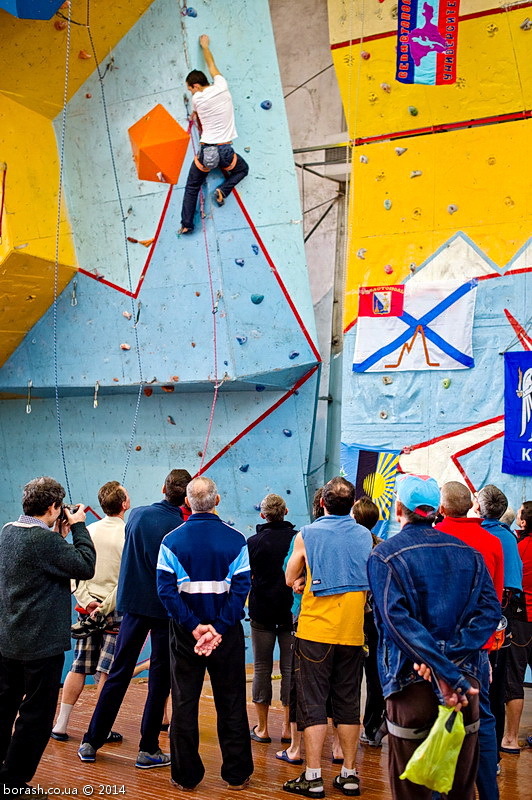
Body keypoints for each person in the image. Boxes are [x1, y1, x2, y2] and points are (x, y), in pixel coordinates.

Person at [368, 474, 501, 800]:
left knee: (410, 791)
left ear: (398, 508)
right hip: (463, 686)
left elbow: (397, 622)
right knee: (459, 790)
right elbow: (489, 613)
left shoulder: (384, 556)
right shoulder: (469, 554)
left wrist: (436, 663)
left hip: (408, 685)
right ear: (437, 510)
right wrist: (450, 659)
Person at [77, 469, 191, 768]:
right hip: (166, 609)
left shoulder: (137, 515)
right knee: (159, 680)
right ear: (186, 496)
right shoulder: (180, 525)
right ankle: (148, 748)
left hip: (134, 606)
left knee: (118, 672)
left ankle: (91, 741)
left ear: (164, 487)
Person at [157, 476, 254, 791]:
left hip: (186, 635)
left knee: (184, 702)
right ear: (218, 500)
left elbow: (165, 591)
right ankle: (237, 774)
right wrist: (219, 627)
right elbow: (241, 588)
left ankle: (185, 776)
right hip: (226, 634)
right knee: (232, 701)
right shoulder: (237, 539)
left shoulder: (171, 541)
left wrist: (194, 626)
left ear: (186, 503)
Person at [0, 477, 95, 795]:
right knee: (35, 716)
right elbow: (85, 565)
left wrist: (59, 535)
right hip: (40, 644)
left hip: (9, 639)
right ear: (55, 507)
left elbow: (41, 563)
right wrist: (79, 527)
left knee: (5, 707)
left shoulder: (8, 531)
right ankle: (13, 782)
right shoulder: (45, 543)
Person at [283, 477, 372, 798]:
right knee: (348, 703)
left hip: (315, 631)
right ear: (351, 506)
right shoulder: (365, 536)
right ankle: (349, 774)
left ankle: (313, 775)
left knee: (313, 703)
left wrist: (302, 578)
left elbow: (290, 576)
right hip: (352, 631)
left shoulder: (307, 534)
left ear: (322, 504)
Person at [435, 481, 503, 800]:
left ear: (443, 508)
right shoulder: (491, 542)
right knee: (483, 719)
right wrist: (486, 645)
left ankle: (438, 792)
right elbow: (495, 600)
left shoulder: (435, 540)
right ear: (471, 506)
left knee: (440, 714)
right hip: (476, 646)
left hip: (440, 645)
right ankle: (489, 792)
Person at [51, 481, 130, 742]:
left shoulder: (88, 531)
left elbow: (74, 574)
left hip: (87, 608)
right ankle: (100, 730)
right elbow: (126, 580)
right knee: (107, 671)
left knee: (79, 666)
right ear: (124, 504)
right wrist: (104, 606)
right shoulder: (129, 535)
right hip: (114, 611)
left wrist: (89, 603)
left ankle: (61, 725)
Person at [179, 34, 249, 234]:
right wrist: (205, 46)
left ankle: (186, 224)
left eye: (190, 89)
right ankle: (223, 190)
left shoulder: (197, 100)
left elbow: (198, 115)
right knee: (242, 170)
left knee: (192, 187)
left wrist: (194, 112)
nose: (192, 93)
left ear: (196, 86)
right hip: (226, 152)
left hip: (207, 152)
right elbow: (211, 64)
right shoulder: (222, 85)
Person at [473, 484, 523, 759]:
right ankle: (492, 755)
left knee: (482, 682)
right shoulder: (508, 538)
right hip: (508, 613)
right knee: (498, 683)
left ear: (479, 508)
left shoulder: (484, 536)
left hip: (488, 616)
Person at [248, 493, 297, 746]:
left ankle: (263, 728)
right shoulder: (297, 539)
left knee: (261, 669)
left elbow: (247, 578)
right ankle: (288, 728)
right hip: (290, 613)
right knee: (289, 670)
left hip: (262, 613)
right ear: (286, 512)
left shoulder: (253, 542)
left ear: (262, 515)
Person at [352, 496, 387, 749]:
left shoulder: (350, 546)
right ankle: (371, 727)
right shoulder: (382, 548)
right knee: (374, 675)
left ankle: (347, 725)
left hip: (357, 616)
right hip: (375, 619)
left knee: (349, 675)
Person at [501, 500, 532, 753]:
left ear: (522, 522)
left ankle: (510, 739)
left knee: (514, 680)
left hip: (522, 621)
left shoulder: (519, 548)